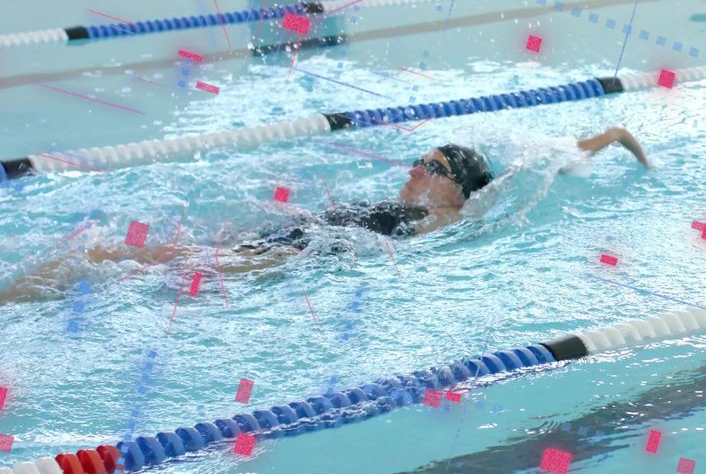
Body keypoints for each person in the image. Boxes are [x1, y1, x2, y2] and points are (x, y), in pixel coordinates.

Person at [0, 127, 648, 301]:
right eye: (416, 161)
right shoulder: (405, 205)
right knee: (104, 258)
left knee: (108, 264)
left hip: (297, 255)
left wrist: (612, 133)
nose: (416, 171)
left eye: (432, 168)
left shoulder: (449, 219)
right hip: (291, 238)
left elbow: (537, 162)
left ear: (457, 191)